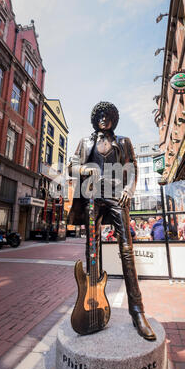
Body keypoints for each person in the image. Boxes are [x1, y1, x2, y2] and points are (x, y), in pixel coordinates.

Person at [68, 101, 156, 340]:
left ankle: (137, 312)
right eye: (99, 115)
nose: (103, 119)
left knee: (127, 250)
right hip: (92, 199)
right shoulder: (86, 142)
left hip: (117, 197)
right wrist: (86, 170)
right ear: (94, 119)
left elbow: (133, 168)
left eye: (108, 116)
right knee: (92, 250)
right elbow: (72, 166)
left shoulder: (124, 142)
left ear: (113, 119)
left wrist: (129, 188)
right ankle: (93, 305)